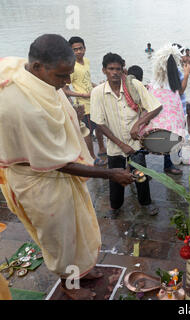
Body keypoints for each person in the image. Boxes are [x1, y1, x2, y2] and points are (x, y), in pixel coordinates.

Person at [0, 34, 134, 300]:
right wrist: (110, 173)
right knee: (60, 238)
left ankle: (82, 271)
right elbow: (58, 164)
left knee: (78, 225)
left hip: (53, 168)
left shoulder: (21, 68)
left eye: (69, 73)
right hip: (39, 180)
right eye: (62, 76)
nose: (68, 82)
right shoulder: (24, 109)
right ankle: (70, 285)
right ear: (37, 67)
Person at [90, 52, 163, 216]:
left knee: (141, 176)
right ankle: (115, 207)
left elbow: (156, 106)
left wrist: (138, 123)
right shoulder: (97, 92)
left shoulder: (133, 85)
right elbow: (99, 123)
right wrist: (121, 144)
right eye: (111, 69)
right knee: (115, 178)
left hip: (136, 144)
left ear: (123, 70)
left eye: (118, 69)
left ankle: (146, 203)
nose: (115, 72)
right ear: (104, 70)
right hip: (115, 146)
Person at [63, 36, 107, 167]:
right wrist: (84, 95)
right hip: (83, 105)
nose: (78, 52)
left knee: (100, 125)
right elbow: (65, 89)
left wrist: (97, 87)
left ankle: (102, 148)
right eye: (74, 49)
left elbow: (87, 80)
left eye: (80, 48)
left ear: (85, 49)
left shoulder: (86, 61)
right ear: (70, 51)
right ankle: (91, 157)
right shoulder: (71, 66)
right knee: (87, 132)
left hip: (94, 100)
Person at [146, 43, 188, 175]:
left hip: (173, 111)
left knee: (169, 136)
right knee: (173, 137)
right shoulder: (174, 75)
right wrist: (187, 74)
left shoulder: (158, 79)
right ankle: (170, 164)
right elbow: (180, 91)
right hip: (175, 111)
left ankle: (170, 163)